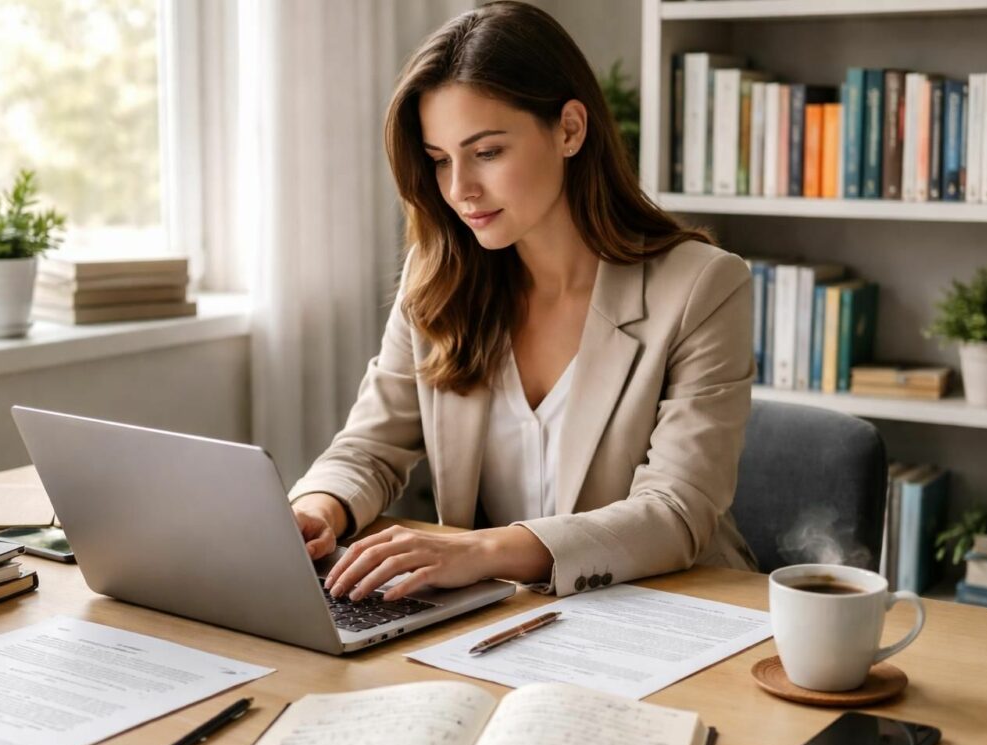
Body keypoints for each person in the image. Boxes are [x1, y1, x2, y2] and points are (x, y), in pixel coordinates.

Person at [288, 0, 758, 604]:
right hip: (503, 618)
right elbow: (370, 447)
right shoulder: (436, 279)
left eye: (486, 153)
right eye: (439, 161)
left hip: (670, 610)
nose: (460, 190)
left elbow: (674, 511)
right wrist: (319, 508)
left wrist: (480, 551)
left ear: (569, 129)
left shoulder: (702, 288)